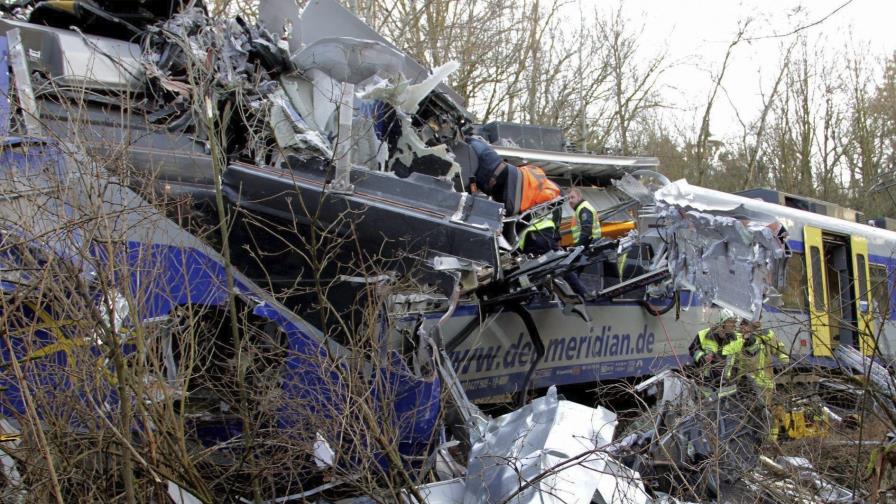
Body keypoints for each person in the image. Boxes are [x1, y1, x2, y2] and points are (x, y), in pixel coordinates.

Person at [738, 317, 790, 439]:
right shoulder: (739, 338)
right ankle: (757, 441)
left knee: (770, 415)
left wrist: (784, 360)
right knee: (753, 416)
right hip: (747, 385)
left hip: (766, 384)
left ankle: (771, 443)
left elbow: (780, 350)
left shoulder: (767, 335)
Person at [518, 213, 591, 299]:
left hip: (536, 246)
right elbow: (556, 236)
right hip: (547, 244)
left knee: (524, 271)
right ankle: (584, 293)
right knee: (561, 267)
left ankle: (528, 294)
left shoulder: (522, 224)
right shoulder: (547, 220)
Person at [689, 308, 743, 383]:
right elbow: (692, 350)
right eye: (731, 322)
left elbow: (750, 353)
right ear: (722, 322)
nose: (734, 325)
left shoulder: (737, 339)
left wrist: (750, 339)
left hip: (726, 382)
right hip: (705, 381)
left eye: (735, 322)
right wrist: (703, 357)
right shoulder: (703, 335)